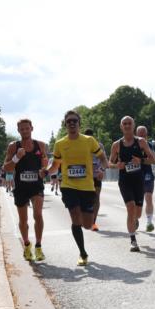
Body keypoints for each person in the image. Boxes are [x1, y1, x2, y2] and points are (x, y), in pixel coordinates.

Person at [46, 110, 109, 266]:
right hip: (69, 186)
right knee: (75, 217)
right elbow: (55, 165)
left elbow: (101, 157)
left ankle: (85, 221)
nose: (72, 123)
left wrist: (102, 169)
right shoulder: (60, 144)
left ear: (79, 124)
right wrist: (46, 172)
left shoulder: (89, 141)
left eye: (75, 121)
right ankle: (82, 253)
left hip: (87, 187)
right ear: (65, 124)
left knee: (87, 224)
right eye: (69, 121)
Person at [109, 117, 155, 252]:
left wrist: (141, 161)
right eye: (124, 124)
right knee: (130, 208)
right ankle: (133, 240)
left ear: (133, 125)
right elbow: (109, 163)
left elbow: (153, 160)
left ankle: (134, 220)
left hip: (139, 180)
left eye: (129, 123)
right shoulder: (116, 145)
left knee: (138, 213)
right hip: (125, 181)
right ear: (121, 126)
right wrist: (116, 165)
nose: (127, 126)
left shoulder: (141, 142)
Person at [4, 118, 48, 262]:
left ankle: (39, 246)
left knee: (38, 214)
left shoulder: (40, 145)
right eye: (21, 129)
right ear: (18, 131)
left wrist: (43, 170)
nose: (24, 131)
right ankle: (27, 245)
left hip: (36, 185)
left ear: (31, 128)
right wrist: (17, 157)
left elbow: (44, 164)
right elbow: (6, 167)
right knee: (23, 220)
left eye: (26, 128)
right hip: (21, 187)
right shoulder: (13, 146)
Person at [83, 128, 106, 231]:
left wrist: (101, 170)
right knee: (85, 199)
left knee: (96, 198)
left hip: (96, 175)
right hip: (84, 176)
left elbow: (104, 159)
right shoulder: (81, 145)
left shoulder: (99, 146)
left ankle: (93, 222)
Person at [136, 125, 155, 232]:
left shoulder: (149, 145)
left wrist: (142, 161)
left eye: (144, 134)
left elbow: (154, 159)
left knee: (149, 198)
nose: (143, 136)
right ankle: (134, 218)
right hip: (134, 175)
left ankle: (149, 222)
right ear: (136, 134)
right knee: (135, 202)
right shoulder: (131, 144)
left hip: (147, 174)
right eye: (140, 134)